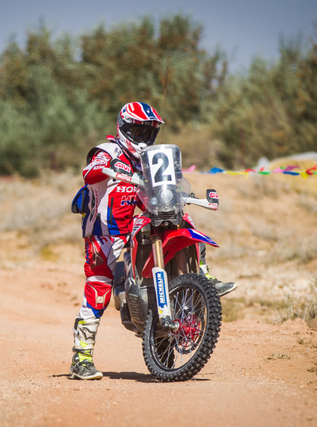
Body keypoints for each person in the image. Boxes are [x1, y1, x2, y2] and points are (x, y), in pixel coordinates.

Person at [69, 102, 236, 380]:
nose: (144, 137)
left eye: (149, 132)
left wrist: (178, 196)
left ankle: (203, 277)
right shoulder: (107, 152)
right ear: (124, 127)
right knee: (99, 290)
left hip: (132, 227)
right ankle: (81, 359)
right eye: (138, 131)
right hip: (103, 234)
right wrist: (109, 168)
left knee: (183, 222)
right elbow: (90, 172)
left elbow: (154, 192)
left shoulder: (145, 161)